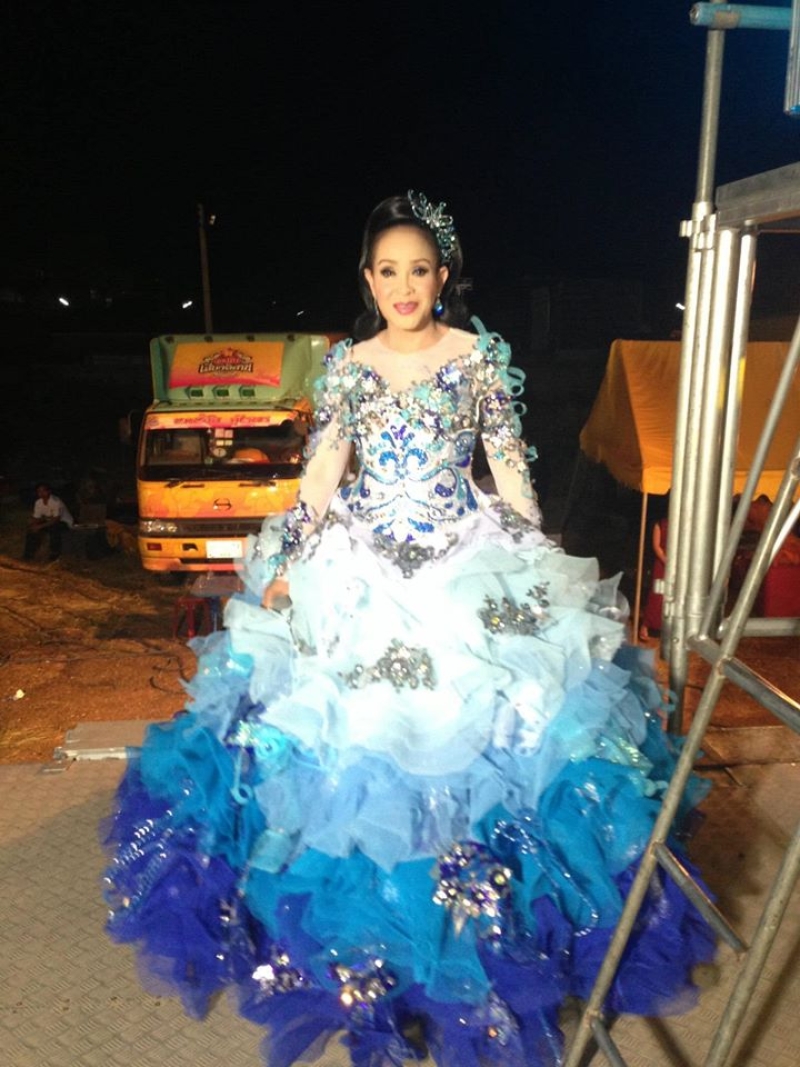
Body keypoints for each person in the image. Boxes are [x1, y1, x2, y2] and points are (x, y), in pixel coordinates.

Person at [103, 193, 714, 1067]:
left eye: (418, 269)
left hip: (464, 558)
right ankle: (372, 952)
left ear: (443, 275)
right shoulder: (349, 366)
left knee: (503, 734)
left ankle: (478, 946)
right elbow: (322, 473)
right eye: (387, 270)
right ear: (367, 278)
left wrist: (533, 548)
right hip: (360, 565)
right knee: (343, 746)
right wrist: (290, 562)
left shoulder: (477, 357)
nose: (403, 286)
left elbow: (506, 462)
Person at [22, 482, 74, 561]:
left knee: (54, 529)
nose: (41, 493)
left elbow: (56, 519)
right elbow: (37, 517)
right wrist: (33, 524)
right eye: (39, 491)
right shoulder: (38, 502)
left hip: (64, 522)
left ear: (49, 491)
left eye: (43, 491)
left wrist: (40, 526)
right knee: (31, 530)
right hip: (50, 522)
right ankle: (28, 555)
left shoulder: (56, 501)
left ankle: (54, 553)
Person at [640, 514, 668, 641]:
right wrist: (666, 560)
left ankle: (667, 628)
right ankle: (645, 626)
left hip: (679, 565)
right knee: (656, 595)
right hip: (662, 564)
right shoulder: (660, 524)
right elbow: (657, 546)